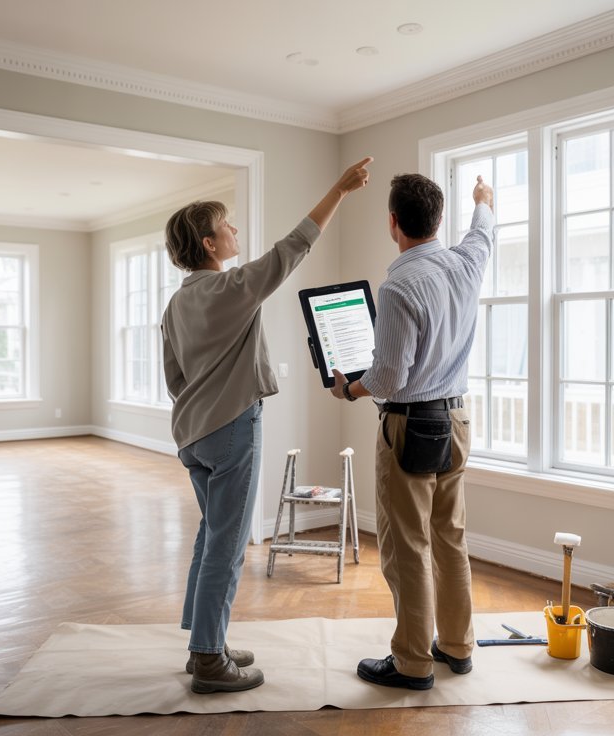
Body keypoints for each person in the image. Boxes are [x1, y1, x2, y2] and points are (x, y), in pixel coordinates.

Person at [160, 157, 371, 694]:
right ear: (209, 244)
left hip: (192, 436)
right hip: (232, 430)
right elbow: (292, 248)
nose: (233, 231)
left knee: (211, 537)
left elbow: (174, 378)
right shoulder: (232, 288)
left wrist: (203, 408)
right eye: (226, 225)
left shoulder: (176, 304)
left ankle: (205, 642)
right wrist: (340, 190)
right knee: (228, 546)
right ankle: (209, 658)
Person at [327, 172, 495, 690]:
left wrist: (348, 389)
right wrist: (484, 199)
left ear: (393, 223)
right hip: (458, 420)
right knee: (450, 538)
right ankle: (457, 647)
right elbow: (484, 229)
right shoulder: (467, 262)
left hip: (409, 426)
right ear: (439, 219)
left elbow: (389, 378)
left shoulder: (399, 285)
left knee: (407, 546)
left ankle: (412, 663)